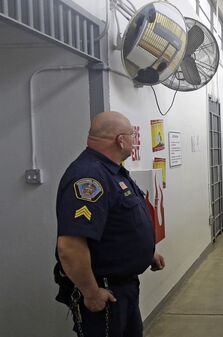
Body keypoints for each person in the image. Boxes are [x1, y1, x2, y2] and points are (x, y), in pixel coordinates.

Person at [54, 111, 165, 337]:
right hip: (104, 290)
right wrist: (91, 293)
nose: (134, 141)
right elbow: (70, 246)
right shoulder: (89, 177)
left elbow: (120, 224)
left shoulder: (114, 172)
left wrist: (147, 253)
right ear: (120, 140)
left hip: (124, 288)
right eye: (132, 135)